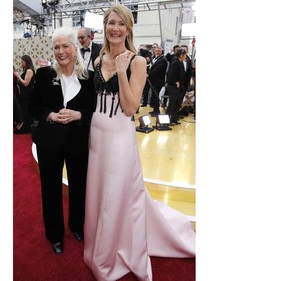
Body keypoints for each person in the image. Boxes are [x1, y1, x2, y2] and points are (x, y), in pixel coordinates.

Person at [83, 5, 195, 281]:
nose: (115, 28)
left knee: (116, 193)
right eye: (111, 23)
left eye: (121, 24)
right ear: (105, 26)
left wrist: (121, 71)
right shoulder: (98, 59)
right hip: (97, 133)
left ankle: (110, 254)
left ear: (129, 29)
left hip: (120, 137)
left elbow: (132, 107)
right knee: (99, 192)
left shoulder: (137, 61)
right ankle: (97, 243)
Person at [28, 26, 94, 255]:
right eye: (56, 47)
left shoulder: (89, 78)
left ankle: (77, 226)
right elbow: (33, 107)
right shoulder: (45, 75)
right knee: (50, 189)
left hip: (77, 142)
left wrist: (80, 115)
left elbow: (94, 109)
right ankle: (54, 234)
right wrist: (50, 115)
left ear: (75, 49)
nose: (60, 51)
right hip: (50, 142)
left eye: (65, 46)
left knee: (79, 187)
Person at [13, 55, 35, 134]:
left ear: (26, 62)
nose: (21, 63)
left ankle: (25, 129)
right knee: (24, 111)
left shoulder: (29, 70)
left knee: (25, 111)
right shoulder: (26, 71)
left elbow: (26, 83)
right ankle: (26, 128)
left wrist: (18, 76)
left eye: (22, 62)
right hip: (24, 93)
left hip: (27, 94)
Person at [165, 48, 187, 125]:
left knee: (177, 103)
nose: (186, 56)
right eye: (185, 55)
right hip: (173, 86)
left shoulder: (179, 62)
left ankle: (173, 119)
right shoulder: (175, 62)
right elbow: (170, 74)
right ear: (181, 55)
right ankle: (166, 121)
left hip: (179, 86)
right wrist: (175, 81)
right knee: (172, 104)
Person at [147, 46, 168, 117]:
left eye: (159, 50)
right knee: (153, 96)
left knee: (156, 96)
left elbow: (157, 70)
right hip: (153, 81)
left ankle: (156, 111)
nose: (157, 52)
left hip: (158, 82)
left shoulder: (163, 60)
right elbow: (151, 67)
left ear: (162, 51)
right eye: (156, 51)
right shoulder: (154, 58)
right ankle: (155, 110)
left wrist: (148, 75)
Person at [13, 65, 23, 132]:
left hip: (15, 91)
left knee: (15, 107)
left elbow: (17, 82)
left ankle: (16, 123)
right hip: (14, 91)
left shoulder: (15, 74)